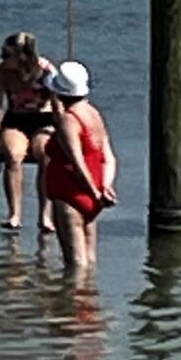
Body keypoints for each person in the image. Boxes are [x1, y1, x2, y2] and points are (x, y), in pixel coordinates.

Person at [0, 31, 57, 232]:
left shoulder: (45, 71)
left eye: (6, 54)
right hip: (16, 119)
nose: (2, 58)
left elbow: (59, 104)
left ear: (22, 56)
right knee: (13, 155)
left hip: (43, 119)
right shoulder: (3, 72)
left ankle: (45, 215)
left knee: (45, 154)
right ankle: (14, 214)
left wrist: (66, 133)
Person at [42, 61, 116, 270]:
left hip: (71, 194)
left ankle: (73, 301)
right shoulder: (93, 114)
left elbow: (77, 162)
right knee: (89, 262)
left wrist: (93, 192)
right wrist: (104, 188)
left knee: (75, 265)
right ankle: (91, 301)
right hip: (94, 196)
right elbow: (108, 157)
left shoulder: (69, 120)